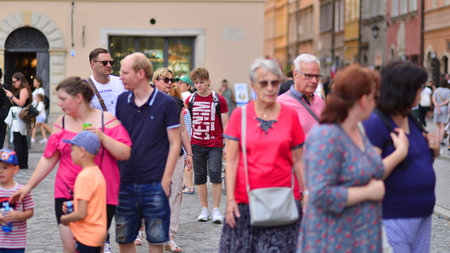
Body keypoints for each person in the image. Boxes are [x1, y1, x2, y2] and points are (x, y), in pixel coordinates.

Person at [10, 77, 131, 253]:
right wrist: (28, 187)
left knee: (92, 246)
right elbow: (48, 158)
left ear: (79, 98)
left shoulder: (107, 120)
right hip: (66, 192)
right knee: (70, 246)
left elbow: (125, 153)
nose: (59, 104)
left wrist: (102, 137)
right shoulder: (62, 122)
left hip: (99, 195)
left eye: (63, 99)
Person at [298, 65, 397, 252]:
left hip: (362, 236)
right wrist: (368, 193)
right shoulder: (326, 135)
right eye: (374, 98)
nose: (377, 104)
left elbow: (371, 169)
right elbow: (320, 194)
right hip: (333, 239)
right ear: (362, 100)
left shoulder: (358, 129)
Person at [219, 57, 304, 252]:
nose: (270, 88)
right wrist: (230, 200)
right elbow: (231, 161)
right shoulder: (239, 116)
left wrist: (305, 195)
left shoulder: (290, 116)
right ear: (253, 86)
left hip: (283, 200)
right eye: (263, 83)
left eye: (274, 82)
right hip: (245, 201)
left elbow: (298, 160)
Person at [363, 61, 440, 253]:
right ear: (403, 89)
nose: (421, 93)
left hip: (422, 213)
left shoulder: (410, 117)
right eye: (418, 88)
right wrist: (399, 154)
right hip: (394, 216)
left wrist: (435, 150)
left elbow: (417, 161)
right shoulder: (376, 122)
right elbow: (370, 173)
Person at [115, 52, 181, 253]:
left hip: (155, 182)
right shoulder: (121, 101)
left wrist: (166, 180)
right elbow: (120, 139)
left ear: (140, 73)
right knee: (125, 239)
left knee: (156, 240)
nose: (120, 77)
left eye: (125, 72)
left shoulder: (167, 103)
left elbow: (174, 143)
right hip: (125, 183)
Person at [277, 53, 325, 209]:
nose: (314, 81)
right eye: (309, 76)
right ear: (295, 74)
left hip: (319, 176)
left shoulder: (319, 101)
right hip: (295, 181)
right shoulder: (281, 104)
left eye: (317, 76)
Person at [153, 67, 193, 252]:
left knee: (176, 192)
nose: (170, 83)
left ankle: (169, 235)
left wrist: (189, 153)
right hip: (153, 156)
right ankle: (142, 228)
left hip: (175, 155)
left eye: (172, 80)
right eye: (165, 79)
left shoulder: (176, 102)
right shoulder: (146, 100)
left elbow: (183, 130)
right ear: (155, 81)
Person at [185, 68, 228, 224]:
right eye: (196, 83)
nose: (199, 85)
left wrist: (227, 145)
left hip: (214, 143)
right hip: (196, 143)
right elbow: (186, 124)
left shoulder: (218, 99)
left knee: (216, 173)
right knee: (200, 176)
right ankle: (205, 208)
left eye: (202, 82)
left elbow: (226, 124)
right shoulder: (190, 100)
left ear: (208, 81)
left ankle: (216, 209)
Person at [60, 131, 106, 253]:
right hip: (98, 233)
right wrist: (74, 203)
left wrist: (64, 219)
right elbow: (93, 203)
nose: (70, 153)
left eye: (72, 150)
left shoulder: (84, 177)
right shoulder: (97, 172)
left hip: (86, 235)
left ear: (82, 151)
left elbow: (81, 214)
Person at [0, 148, 34, 253]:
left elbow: (30, 211)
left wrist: (18, 215)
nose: (1, 171)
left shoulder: (22, 190)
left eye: (5, 168)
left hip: (16, 243)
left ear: (15, 169)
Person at [4, 72, 33, 169]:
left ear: (20, 80)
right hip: (20, 118)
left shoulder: (24, 90)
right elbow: (16, 104)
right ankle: (23, 163)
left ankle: (20, 163)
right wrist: (10, 96)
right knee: (21, 141)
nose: (13, 84)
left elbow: (21, 103)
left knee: (19, 142)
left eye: (14, 82)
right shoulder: (22, 90)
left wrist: (12, 96)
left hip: (20, 119)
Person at [88, 47, 125, 116]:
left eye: (111, 62)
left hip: (119, 126)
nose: (109, 65)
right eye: (104, 63)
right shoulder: (85, 86)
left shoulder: (121, 82)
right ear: (93, 64)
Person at [432, 77, 449, 145]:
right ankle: (441, 140)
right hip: (444, 108)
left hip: (437, 108)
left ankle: (437, 140)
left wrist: (437, 106)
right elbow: (448, 100)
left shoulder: (436, 90)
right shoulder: (448, 91)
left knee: (437, 125)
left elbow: (433, 99)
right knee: (442, 126)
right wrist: (442, 104)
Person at [0, 68, 12, 149]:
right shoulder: (4, 87)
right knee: (1, 137)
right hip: (2, 113)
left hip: (2, 113)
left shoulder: (3, 87)